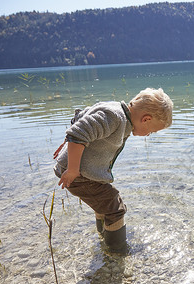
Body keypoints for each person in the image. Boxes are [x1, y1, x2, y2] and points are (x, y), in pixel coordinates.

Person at [53, 88, 173, 254]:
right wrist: (72, 168)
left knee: (104, 203)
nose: (148, 135)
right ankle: (117, 252)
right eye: (152, 131)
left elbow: (81, 117)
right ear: (146, 119)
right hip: (79, 175)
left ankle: (104, 237)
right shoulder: (115, 118)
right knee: (115, 208)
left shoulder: (115, 109)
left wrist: (67, 142)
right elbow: (79, 132)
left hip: (86, 172)